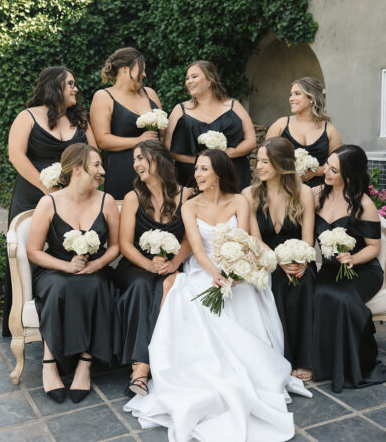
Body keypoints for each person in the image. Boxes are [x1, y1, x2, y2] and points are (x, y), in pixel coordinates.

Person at [124, 149, 312, 441]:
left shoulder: (239, 200)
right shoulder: (190, 206)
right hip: (204, 269)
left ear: (218, 175)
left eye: (203, 169)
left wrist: (265, 262)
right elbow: (197, 250)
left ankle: (252, 369)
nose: (197, 174)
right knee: (191, 297)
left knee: (248, 295)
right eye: (196, 169)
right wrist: (216, 274)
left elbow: (250, 240)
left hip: (240, 271)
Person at [5, 67, 96, 337]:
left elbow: (93, 155)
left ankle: (70, 317)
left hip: (74, 201)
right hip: (32, 195)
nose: (75, 88)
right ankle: (24, 319)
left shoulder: (80, 120)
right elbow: (16, 156)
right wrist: (48, 189)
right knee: (26, 254)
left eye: (75, 83)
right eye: (70, 83)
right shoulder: (28, 117)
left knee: (70, 252)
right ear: (53, 86)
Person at [27, 144, 120, 403]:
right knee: (60, 288)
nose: (101, 171)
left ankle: (84, 364)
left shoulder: (107, 201)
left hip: (94, 268)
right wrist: (66, 267)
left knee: (98, 286)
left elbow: (115, 247)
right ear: (77, 169)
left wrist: (96, 265)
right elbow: (34, 251)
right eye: (96, 166)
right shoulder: (49, 203)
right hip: (55, 268)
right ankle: (50, 362)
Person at [112, 140, 191, 395]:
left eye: (140, 158)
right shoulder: (132, 198)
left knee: (168, 286)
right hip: (135, 264)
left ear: (158, 160)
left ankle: (145, 367)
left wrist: (175, 262)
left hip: (171, 264)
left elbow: (191, 237)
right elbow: (125, 244)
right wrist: (149, 263)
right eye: (134, 160)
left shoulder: (186, 195)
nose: (135, 164)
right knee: (141, 285)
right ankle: (141, 368)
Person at [313, 145, 386, 392]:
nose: (326, 171)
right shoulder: (317, 195)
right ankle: (323, 361)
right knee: (317, 292)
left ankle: (357, 362)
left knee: (342, 298)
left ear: (349, 175)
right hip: (331, 268)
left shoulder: (364, 204)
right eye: (327, 164)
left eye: (334, 170)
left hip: (362, 269)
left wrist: (353, 259)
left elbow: (374, 247)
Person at [243, 137, 316, 381]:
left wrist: (298, 259)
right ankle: (280, 359)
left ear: (282, 164)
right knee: (274, 280)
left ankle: (303, 358)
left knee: (301, 282)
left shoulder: (304, 192)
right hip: (266, 257)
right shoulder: (250, 194)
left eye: (266, 162)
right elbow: (254, 239)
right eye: (258, 161)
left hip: (298, 257)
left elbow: (308, 238)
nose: (259, 167)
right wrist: (278, 261)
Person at [165, 60, 256, 190]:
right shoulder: (180, 110)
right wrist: (200, 162)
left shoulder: (234, 106)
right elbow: (168, 148)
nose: (189, 81)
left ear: (210, 80)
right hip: (193, 178)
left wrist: (223, 157)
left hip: (232, 174)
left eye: (194, 76)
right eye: (187, 78)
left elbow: (251, 140)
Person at [90, 47, 163, 200]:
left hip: (157, 168)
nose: (144, 74)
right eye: (141, 69)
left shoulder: (150, 93)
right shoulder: (104, 97)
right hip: (123, 169)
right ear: (124, 69)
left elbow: (163, 130)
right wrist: (138, 141)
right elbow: (102, 140)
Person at [266, 77, 342, 187]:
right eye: (291, 94)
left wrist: (316, 171)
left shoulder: (329, 130)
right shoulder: (281, 124)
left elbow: (338, 164)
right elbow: (266, 157)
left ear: (311, 98)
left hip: (319, 191)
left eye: (297, 93)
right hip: (285, 188)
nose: (291, 98)